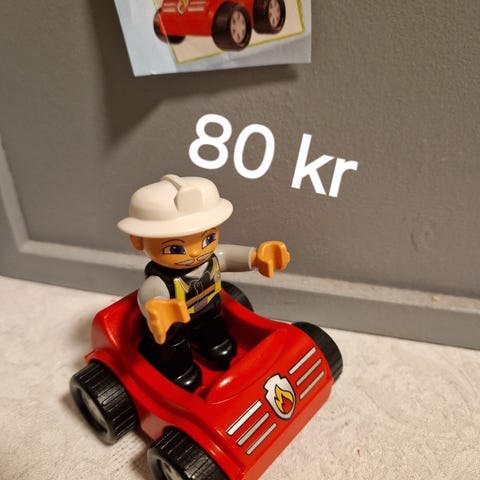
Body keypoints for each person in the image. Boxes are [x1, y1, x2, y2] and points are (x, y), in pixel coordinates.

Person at [118, 174, 290, 391]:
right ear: (138, 241)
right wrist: (157, 307)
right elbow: (149, 293)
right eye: (175, 248)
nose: (196, 253)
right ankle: (180, 371)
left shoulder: (213, 258)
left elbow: (231, 256)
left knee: (217, 336)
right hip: (174, 326)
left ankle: (216, 345)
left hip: (209, 313)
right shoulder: (161, 279)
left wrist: (256, 258)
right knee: (174, 349)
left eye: (208, 239)